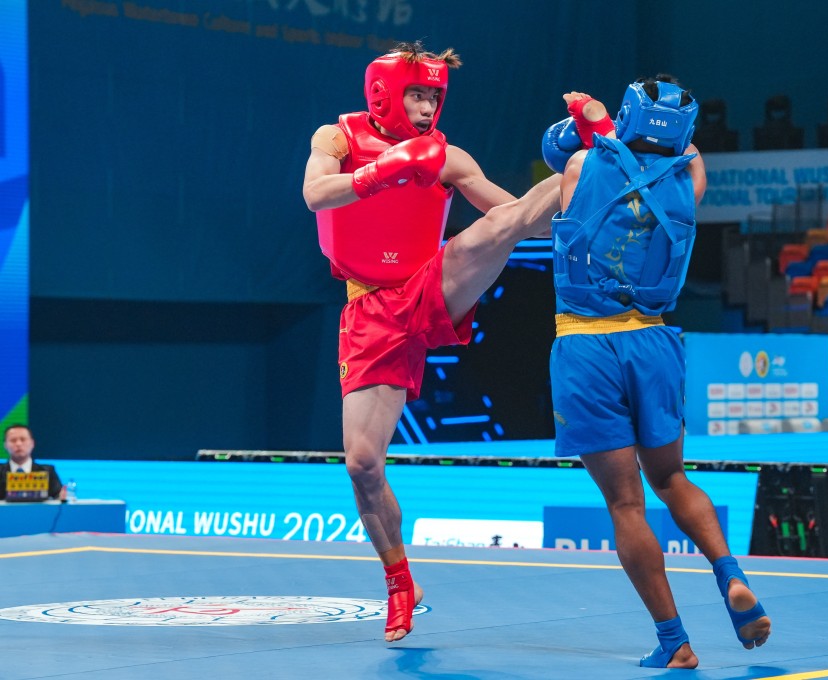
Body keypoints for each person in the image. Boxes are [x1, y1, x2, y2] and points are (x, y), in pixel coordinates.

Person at [302, 41, 560, 643]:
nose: (426, 109)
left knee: (497, 227)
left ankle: (587, 164)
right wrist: (384, 170)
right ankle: (399, 581)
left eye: (434, 97)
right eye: (417, 95)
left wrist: (570, 187)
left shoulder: (446, 156)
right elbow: (315, 194)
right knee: (363, 464)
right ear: (385, 94)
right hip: (370, 307)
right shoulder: (335, 139)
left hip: (431, 286)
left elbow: (518, 213)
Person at [538, 77, 770, 669]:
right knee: (671, 478)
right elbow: (687, 152)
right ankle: (731, 576)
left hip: (589, 347)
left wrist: (589, 119)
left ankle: (676, 642)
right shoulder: (690, 182)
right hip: (655, 341)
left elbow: (558, 150)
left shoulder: (582, 165)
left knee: (626, 504)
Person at [2, 424, 65, 501]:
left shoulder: (47, 471)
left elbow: (58, 499)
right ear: (5, 445)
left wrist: (62, 498)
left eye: (23, 439)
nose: (18, 444)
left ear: (32, 443)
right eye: (13, 440)